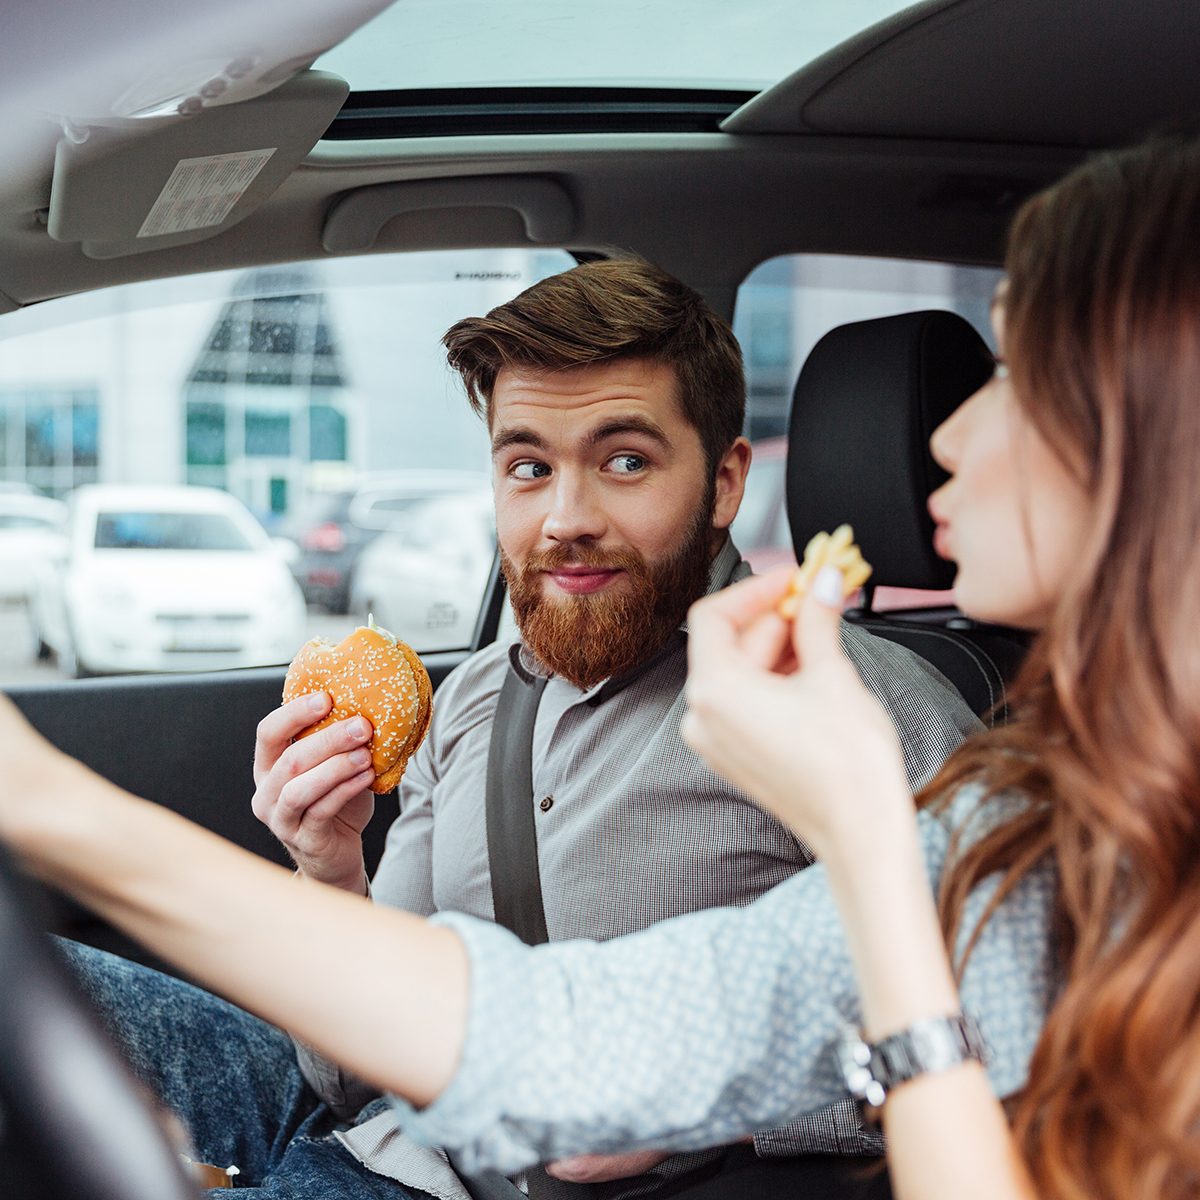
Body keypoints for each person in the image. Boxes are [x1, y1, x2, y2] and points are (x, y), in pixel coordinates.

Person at [43, 259, 981, 1200]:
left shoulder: (855, 706)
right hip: (383, 1135)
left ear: (727, 482)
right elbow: (355, 1078)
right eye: (528, 467)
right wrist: (330, 869)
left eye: (625, 461)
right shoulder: (470, 701)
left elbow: (1003, 1020)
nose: (566, 519)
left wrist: (688, 1105)